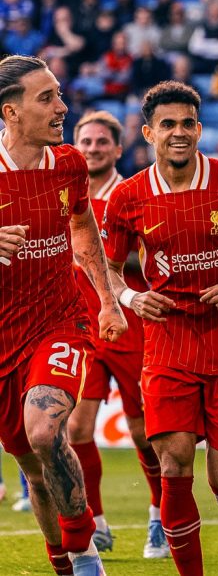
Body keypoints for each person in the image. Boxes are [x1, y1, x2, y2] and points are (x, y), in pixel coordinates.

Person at [102, 81, 218, 576]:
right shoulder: (128, 196)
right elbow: (105, 265)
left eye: (188, 123)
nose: (179, 133)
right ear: (148, 133)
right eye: (168, 125)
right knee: (173, 465)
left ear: (200, 128)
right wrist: (129, 296)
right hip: (166, 341)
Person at [0, 54, 128, 576]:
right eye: (47, 98)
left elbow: (81, 227)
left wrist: (107, 298)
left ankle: (84, 547)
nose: (62, 107)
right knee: (33, 464)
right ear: (10, 112)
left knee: (46, 431)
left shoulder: (70, 164)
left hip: (60, 320)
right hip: (4, 335)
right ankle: (69, 562)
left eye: (58, 93)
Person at [67, 111, 169, 559]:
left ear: (117, 148)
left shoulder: (130, 196)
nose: (92, 148)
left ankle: (160, 517)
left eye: (100, 142)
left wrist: (103, 260)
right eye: (85, 142)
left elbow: (149, 261)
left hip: (130, 326)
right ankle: (97, 523)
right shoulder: (65, 193)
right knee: (75, 427)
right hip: (81, 327)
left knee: (144, 432)